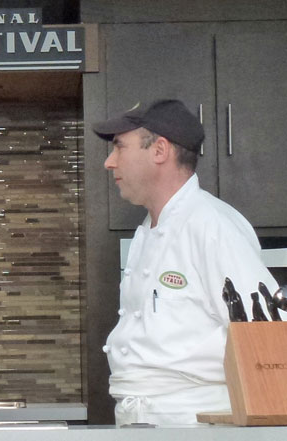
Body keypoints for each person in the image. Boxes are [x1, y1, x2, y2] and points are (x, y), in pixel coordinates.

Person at [92, 99, 285, 426]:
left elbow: (268, 335)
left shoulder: (212, 226)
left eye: (120, 147)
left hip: (193, 422)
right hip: (143, 417)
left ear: (160, 150)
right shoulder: (146, 231)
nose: (110, 162)